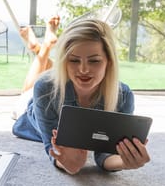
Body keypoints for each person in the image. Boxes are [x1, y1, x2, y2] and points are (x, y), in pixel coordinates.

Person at [12, 18, 150, 175]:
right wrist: (69, 164)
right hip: (31, 106)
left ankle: (42, 46)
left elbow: (106, 153)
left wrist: (125, 161)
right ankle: (42, 48)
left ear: (109, 62)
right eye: (74, 60)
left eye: (94, 61)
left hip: (58, 81)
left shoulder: (123, 96)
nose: (83, 69)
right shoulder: (45, 88)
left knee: (49, 75)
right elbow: (52, 148)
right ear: (65, 61)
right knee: (28, 88)